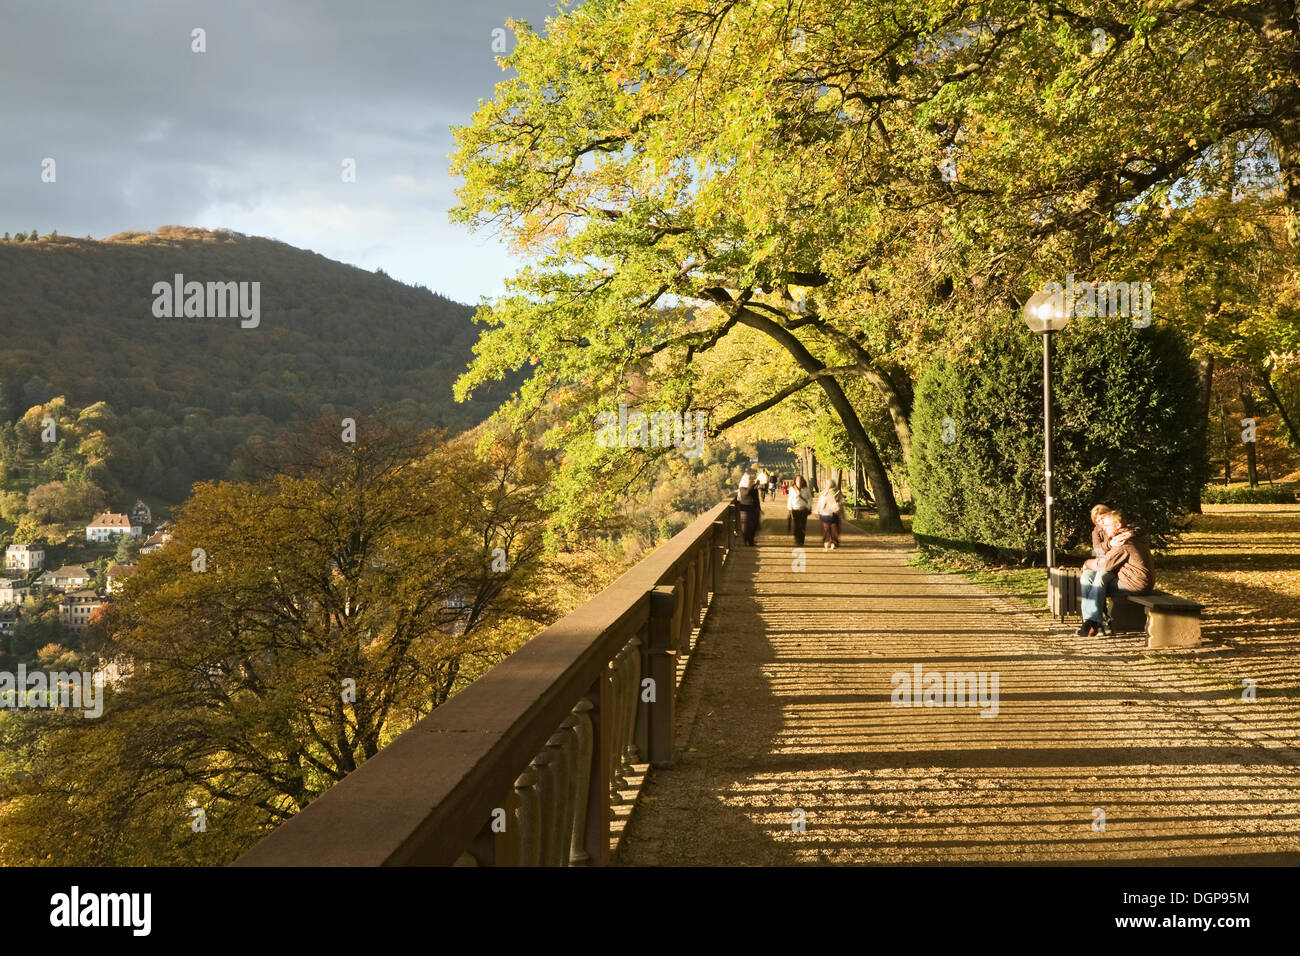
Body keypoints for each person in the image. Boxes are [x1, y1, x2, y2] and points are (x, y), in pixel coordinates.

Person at [1077, 509, 1154, 636]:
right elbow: (1098, 552)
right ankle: (1090, 621)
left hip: (1136, 584)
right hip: (1128, 578)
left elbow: (1106, 564)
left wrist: (1086, 563)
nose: (1104, 528)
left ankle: (1094, 621)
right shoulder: (1125, 535)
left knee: (1099, 579)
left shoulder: (1123, 541)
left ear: (1117, 525)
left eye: (1106, 525)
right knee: (1087, 576)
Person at [815, 480, 842, 550]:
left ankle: (833, 542)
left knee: (833, 529)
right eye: (826, 484)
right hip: (825, 514)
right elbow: (820, 502)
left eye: (828, 484)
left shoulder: (836, 493)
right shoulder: (824, 493)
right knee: (827, 529)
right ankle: (828, 541)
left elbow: (840, 503)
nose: (827, 485)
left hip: (833, 513)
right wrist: (817, 510)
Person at [736, 473, 761, 546]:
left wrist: (759, 508)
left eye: (751, 479)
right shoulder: (742, 488)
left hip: (754, 508)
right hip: (745, 509)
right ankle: (746, 541)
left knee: (754, 526)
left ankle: (751, 541)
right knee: (746, 527)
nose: (750, 480)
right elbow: (746, 493)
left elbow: (756, 498)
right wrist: (753, 485)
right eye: (749, 479)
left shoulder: (752, 487)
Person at [787, 475, 812, 546]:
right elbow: (790, 499)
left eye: (800, 480)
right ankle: (797, 539)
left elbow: (810, 499)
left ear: (803, 481)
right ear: (795, 481)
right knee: (796, 525)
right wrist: (789, 508)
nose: (799, 482)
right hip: (795, 509)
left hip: (803, 509)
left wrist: (808, 507)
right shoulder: (792, 489)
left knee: (803, 525)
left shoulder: (806, 489)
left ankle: (801, 540)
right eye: (797, 480)